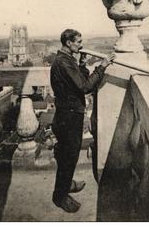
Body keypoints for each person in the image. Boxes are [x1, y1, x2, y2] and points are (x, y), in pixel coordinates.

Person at [50, 29, 115, 213]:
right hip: (69, 117)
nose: (81, 44)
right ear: (69, 43)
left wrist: (83, 65)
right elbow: (85, 87)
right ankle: (60, 196)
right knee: (68, 157)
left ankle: (66, 184)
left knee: (68, 155)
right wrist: (101, 67)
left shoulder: (67, 60)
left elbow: (78, 81)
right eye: (78, 41)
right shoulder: (64, 63)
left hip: (68, 114)